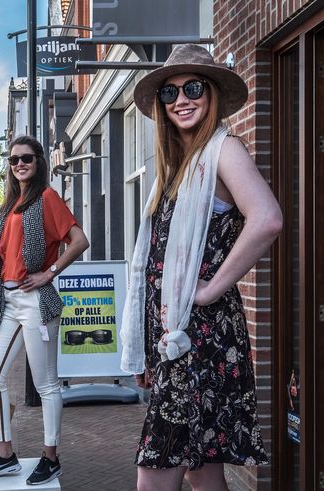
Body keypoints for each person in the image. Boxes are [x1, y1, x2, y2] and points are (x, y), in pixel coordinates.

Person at [120, 44, 281, 491]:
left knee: (152, 478)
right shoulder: (179, 164)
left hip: (201, 341)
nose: (181, 100)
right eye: (170, 94)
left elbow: (267, 219)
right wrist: (147, 345)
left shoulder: (223, 149)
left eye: (192, 88)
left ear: (210, 93)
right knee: (201, 470)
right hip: (180, 339)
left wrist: (210, 290)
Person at [0, 135, 89, 485]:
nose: (20, 163)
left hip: (36, 301)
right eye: (13, 160)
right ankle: (5, 454)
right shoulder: (10, 205)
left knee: (46, 384)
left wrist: (49, 273)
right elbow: (5, 259)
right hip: (7, 301)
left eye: (26, 158)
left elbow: (80, 241)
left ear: (38, 161)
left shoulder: (47, 198)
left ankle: (50, 456)